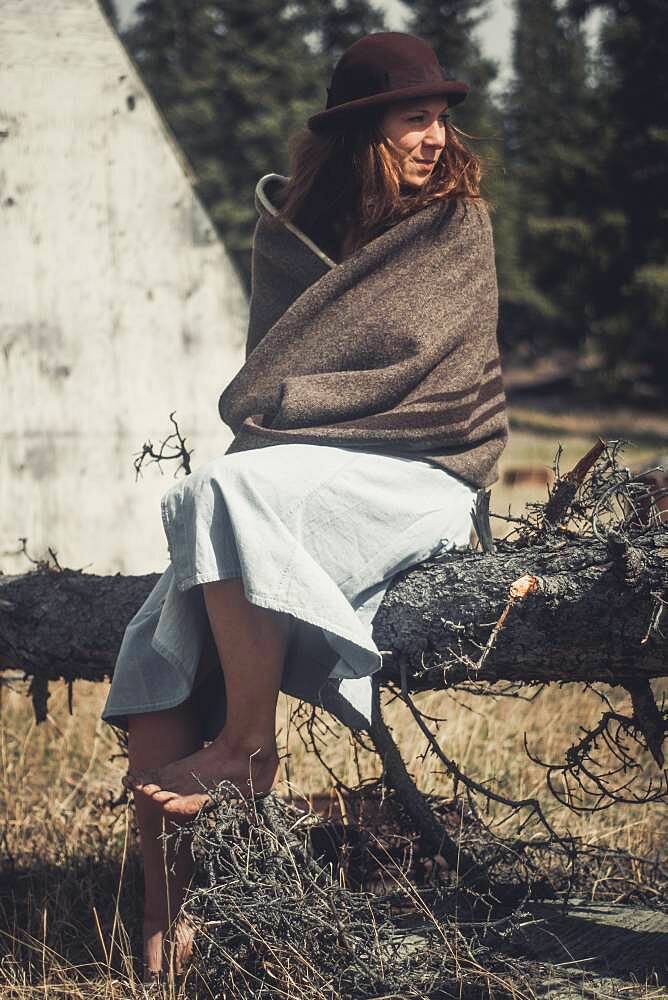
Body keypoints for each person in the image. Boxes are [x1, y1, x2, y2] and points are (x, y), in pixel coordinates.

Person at [102, 31, 509, 983]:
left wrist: (298, 425)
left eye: (442, 119)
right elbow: (285, 367)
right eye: (416, 120)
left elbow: (423, 374)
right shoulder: (292, 232)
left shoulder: (456, 225)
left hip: (423, 474)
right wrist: (297, 426)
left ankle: (249, 748)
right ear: (366, 132)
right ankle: (168, 922)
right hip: (309, 476)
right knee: (156, 646)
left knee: (221, 490)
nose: (437, 140)